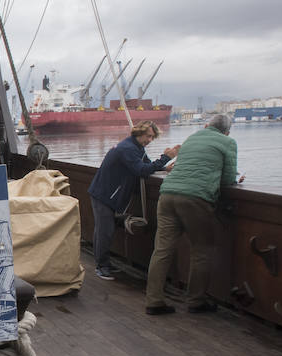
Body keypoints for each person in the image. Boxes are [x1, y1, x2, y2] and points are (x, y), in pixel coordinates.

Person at [144, 114, 242, 315]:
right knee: (202, 250)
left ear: (207, 125)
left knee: (162, 250)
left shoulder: (192, 138)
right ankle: (196, 300)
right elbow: (228, 179)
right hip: (195, 198)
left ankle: (154, 300)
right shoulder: (228, 142)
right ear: (227, 131)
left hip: (167, 194)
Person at [87, 120, 179, 280]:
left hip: (106, 193)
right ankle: (101, 267)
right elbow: (141, 170)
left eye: (152, 137)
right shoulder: (127, 149)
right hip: (104, 194)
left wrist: (164, 167)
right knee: (105, 232)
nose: (149, 140)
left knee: (103, 230)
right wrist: (165, 157)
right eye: (147, 136)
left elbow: (147, 165)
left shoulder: (136, 148)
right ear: (139, 132)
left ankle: (103, 264)